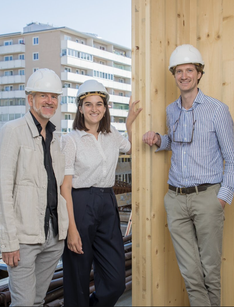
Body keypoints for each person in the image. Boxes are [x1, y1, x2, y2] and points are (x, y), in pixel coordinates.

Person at [142, 44, 234, 306]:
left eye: (190, 70)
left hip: (207, 198)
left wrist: (220, 199)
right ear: (174, 74)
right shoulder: (171, 110)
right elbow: (177, 142)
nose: (184, 75)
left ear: (199, 74)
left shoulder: (217, 110)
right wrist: (158, 139)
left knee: (210, 272)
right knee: (190, 273)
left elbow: (232, 160)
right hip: (175, 200)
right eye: (179, 71)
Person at [0, 68, 69, 306]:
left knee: (37, 301)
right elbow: (1, 190)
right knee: (23, 304)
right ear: (30, 99)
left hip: (53, 237)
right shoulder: (12, 132)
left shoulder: (56, 139)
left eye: (53, 96)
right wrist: (8, 242)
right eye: (43, 95)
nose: (49, 101)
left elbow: (57, 186)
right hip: (24, 239)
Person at [61, 79, 142, 306]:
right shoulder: (70, 140)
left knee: (116, 281)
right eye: (88, 104)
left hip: (107, 202)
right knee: (77, 279)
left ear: (105, 108)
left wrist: (129, 125)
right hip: (79, 203)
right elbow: (65, 187)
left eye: (99, 104)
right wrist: (72, 230)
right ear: (80, 108)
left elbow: (133, 148)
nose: (94, 109)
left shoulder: (112, 134)